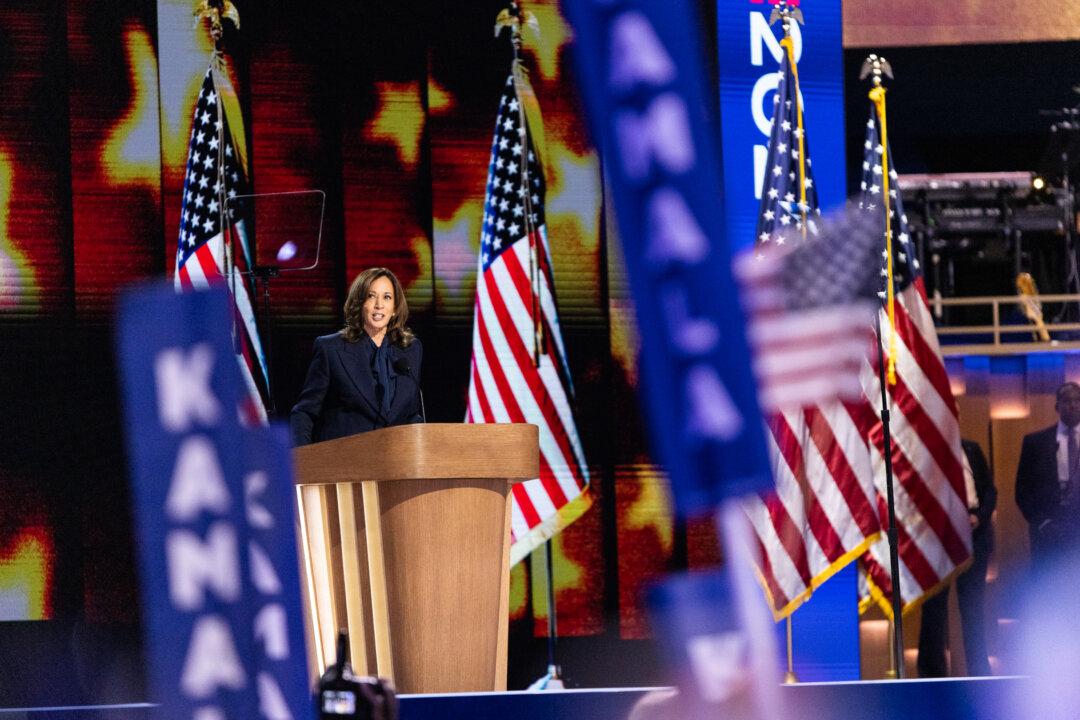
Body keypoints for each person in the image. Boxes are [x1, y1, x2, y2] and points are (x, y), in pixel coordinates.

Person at [291, 267, 423, 446]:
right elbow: (305, 412)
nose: (379, 304)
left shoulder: (410, 349)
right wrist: (303, 460)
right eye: (371, 296)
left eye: (387, 297)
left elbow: (411, 414)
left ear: (395, 309)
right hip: (345, 463)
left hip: (395, 464)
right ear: (359, 303)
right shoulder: (331, 349)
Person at [917, 438, 996, 677]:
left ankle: (979, 673)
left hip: (974, 533)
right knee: (934, 608)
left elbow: (990, 491)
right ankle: (932, 674)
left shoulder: (971, 448)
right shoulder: (923, 451)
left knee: (972, 606)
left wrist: (980, 517)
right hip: (938, 535)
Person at [1016, 381, 1080, 564]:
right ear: (1057, 406)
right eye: (1067, 400)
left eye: (1078, 400)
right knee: (1050, 586)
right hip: (1049, 530)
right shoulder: (1035, 442)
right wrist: (1041, 522)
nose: (1073, 405)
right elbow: (1022, 490)